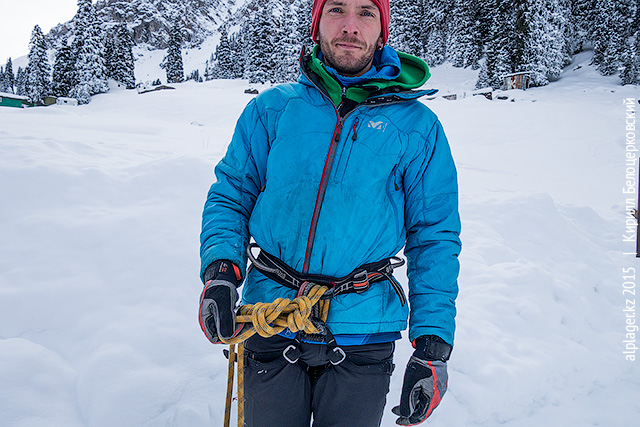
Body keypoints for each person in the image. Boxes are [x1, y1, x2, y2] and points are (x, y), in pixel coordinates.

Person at [198, 0, 461, 425]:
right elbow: (231, 195)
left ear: (382, 31)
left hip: (363, 333)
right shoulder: (271, 110)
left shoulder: (418, 128)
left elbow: (434, 236)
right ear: (317, 22)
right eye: (337, 9)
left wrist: (432, 345)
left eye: (366, 12)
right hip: (271, 320)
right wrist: (221, 273)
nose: (350, 26)